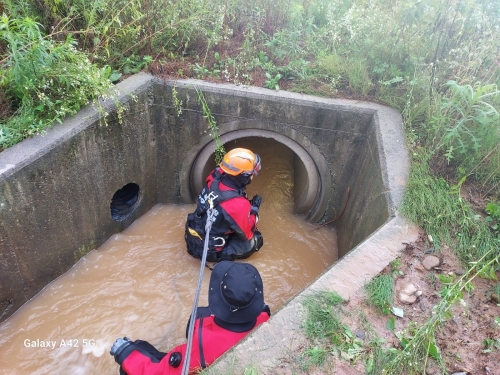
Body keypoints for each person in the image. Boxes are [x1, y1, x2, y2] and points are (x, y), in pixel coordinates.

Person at [110, 261, 271, 374]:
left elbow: (159, 373)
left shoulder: (202, 343)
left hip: (201, 352)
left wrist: (125, 352)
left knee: (136, 350)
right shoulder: (264, 317)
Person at [185, 148, 264, 263]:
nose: (253, 175)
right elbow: (246, 234)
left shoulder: (216, 174)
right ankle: (221, 256)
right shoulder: (237, 205)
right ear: (244, 176)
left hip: (196, 231)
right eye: (252, 173)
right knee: (255, 240)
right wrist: (254, 211)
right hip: (208, 249)